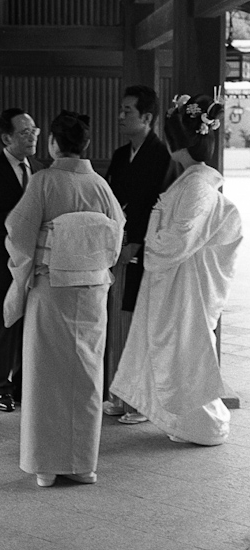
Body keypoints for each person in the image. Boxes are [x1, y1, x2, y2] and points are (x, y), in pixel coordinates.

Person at [110, 92, 243, 445]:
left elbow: (178, 240)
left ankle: (204, 423)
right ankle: (183, 419)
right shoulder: (191, 179)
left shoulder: (198, 185)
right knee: (175, 352)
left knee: (185, 352)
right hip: (175, 281)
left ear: (178, 141)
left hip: (185, 284)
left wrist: (150, 239)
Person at [3, 110, 125, 487]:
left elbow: (19, 233)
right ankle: (83, 463)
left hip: (51, 289)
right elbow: (115, 238)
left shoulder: (43, 182)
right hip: (90, 292)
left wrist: (26, 270)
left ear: (54, 142)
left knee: (46, 376)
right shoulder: (101, 186)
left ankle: (47, 465)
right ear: (86, 144)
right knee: (86, 376)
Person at [104, 85, 175, 424]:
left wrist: (136, 241)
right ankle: (120, 395)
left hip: (144, 251)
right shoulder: (120, 156)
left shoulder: (163, 158)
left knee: (138, 324)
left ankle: (142, 403)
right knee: (118, 322)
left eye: (127, 111)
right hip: (117, 247)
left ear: (147, 118)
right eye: (120, 109)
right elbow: (110, 200)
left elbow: (158, 209)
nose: (120, 115)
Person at [0, 108, 43, 412]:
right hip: (3, 258)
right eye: (24, 132)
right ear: (6, 137)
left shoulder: (42, 170)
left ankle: (21, 382)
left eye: (34, 131)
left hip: (35, 260)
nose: (32, 136)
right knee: (2, 321)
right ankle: (0, 386)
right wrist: (20, 221)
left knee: (29, 321)